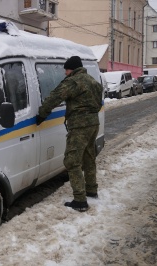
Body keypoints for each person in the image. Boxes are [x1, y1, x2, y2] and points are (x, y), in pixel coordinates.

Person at [36, 56, 103, 212]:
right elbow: (99, 103)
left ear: (71, 69)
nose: (65, 73)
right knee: (89, 157)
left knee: (72, 162)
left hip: (80, 126)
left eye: (66, 70)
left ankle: (80, 200)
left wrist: (42, 115)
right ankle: (91, 190)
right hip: (93, 123)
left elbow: (55, 96)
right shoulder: (93, 81)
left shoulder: (73, 82)